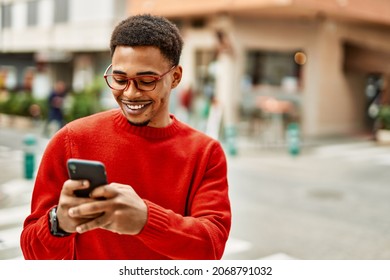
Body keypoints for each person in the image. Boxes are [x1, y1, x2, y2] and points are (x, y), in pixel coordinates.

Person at [21, 14, 231, 260]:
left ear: (175, 77)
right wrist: (58, 223)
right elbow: (32, 252)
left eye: (146, 81)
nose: (130, 93)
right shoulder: (71, 139)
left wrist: (146, 220)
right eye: (120, 79)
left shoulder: (205, 152)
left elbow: (211, 247)